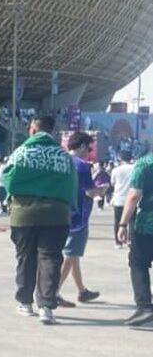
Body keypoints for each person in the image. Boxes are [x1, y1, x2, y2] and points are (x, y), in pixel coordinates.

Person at [0, 113, 77, 325]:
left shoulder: (21, 152)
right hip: (56, 215)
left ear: (32, 130)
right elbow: (72, 184)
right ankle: (46, 306)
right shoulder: (62, 156)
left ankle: (25, 302)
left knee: (26, 258)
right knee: (50, 259)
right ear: (51, 130)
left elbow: (7, 178)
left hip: (24, 215)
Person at [56, 131, 109, 307]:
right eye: (89, 148)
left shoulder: (60, 161)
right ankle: (54, 291)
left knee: (74, 255)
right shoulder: (81, 166)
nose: (89, 152)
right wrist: (102, 190)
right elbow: (89, 191)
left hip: (61, 212)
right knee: (71, 254)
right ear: (82, 147)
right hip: (78, 217)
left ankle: (82, 290)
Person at [117, 150, 153, 326]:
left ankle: (144, 306)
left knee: (138, 263)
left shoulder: (145, 163)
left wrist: (123, 224)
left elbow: (133, 196)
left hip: (148, 224)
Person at [111, 152, 135, 249]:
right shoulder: (134, 169)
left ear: (120, 158)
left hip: (119, 198)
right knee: (132, 221)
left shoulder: (116, 170)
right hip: (132, 198)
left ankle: (118, 242)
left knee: (117, 220)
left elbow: (112, 183)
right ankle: (131, 240)